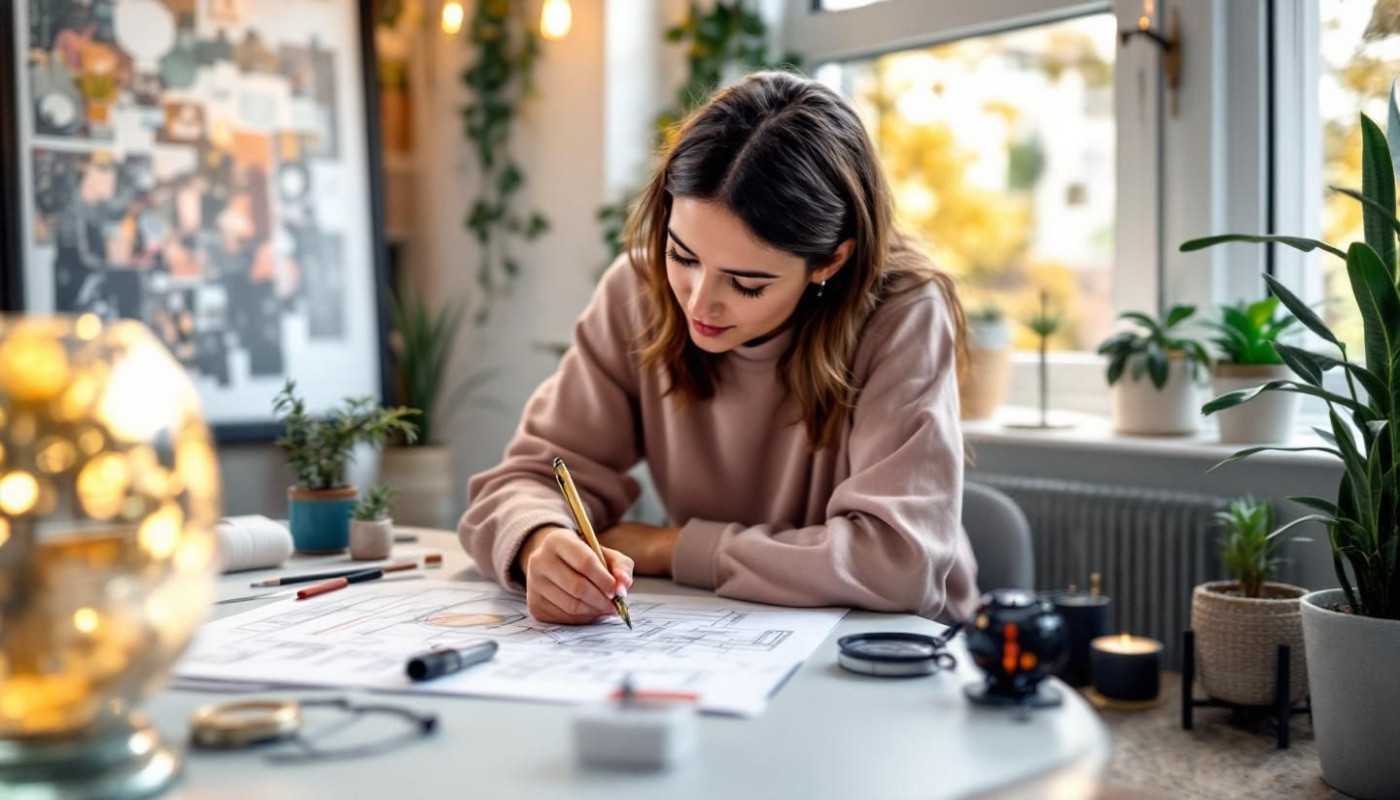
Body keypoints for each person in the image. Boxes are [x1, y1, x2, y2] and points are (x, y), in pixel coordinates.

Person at [460, 71, 979, 626]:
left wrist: (673, 548)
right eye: (683, 256)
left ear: (830, 261)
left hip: (895, 643)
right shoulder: (636, 290)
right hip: (727, 628)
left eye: (747, 283)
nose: (700, 305)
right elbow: (528, 479)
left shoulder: (902, 313)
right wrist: (542, 543)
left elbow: (899, 563)